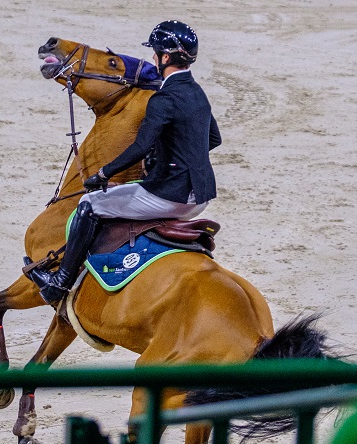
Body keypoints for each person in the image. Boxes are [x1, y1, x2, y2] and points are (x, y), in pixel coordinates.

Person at [27, 20, 222, 304]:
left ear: (165, 57)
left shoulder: (163, 99)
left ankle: (60, 281)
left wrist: (104, 173)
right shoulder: (197, 94)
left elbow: (140, 147)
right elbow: (213, 139)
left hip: (172, 197)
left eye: (156, 53)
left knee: (90, 204)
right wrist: (177, 157)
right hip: (201, 197)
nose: (153, 57)